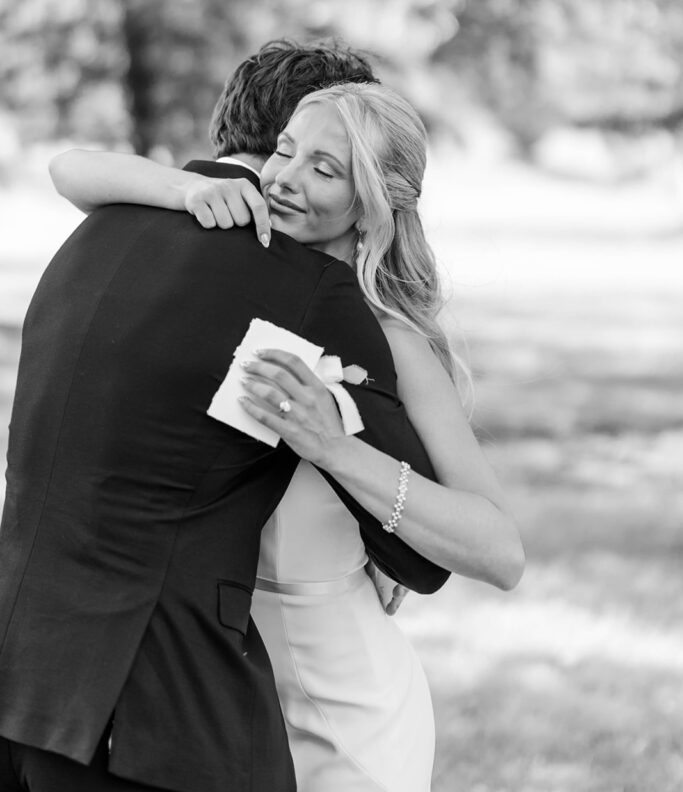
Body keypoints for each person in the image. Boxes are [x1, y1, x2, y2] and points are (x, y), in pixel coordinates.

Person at [48, 74, 525, 790]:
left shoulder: (391, 343)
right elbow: (74, 170)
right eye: (285, 151)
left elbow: (500, 553)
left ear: (372, 207)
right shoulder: (229, 263)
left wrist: (334, 449)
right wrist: (182, 190)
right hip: (220, 686)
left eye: (324, 169)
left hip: (342, 699)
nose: (286, 180)